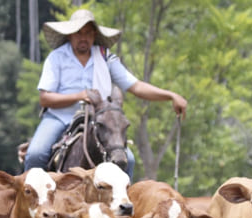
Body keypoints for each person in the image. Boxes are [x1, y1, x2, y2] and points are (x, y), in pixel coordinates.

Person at [23, 8, 187, 180]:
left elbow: (135, 86)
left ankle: (124, 203)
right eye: (78, 33)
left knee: (128, 159)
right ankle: (29, 202)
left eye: (88, 33)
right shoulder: (56, 57)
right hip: (59, 117)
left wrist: (170, 95)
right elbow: (45, 98)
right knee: (36, 154)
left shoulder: (105, 57)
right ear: (70, 35)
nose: (83, 37)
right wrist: (79, 96)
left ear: (94, 35)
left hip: (98, 120)